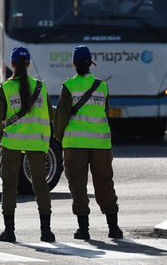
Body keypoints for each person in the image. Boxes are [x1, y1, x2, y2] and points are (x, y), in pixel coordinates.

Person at [54, 45, 123, 239]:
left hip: (74, 144)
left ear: (74, 63)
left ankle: (83, 229)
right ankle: (113, 227)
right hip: (101, 144)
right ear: (90, 64)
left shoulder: (68, 86)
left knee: (78, 186)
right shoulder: (102, 86)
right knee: (104, 183)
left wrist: (60, 138)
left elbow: (61, 117)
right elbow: (106, 114)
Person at [0, 47, 56, 243]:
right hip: (37, 143)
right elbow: (50, 116)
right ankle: (46, 232)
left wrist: (2, 138)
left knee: (9, 186)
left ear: (11, 64)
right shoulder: (40, 87)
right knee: (40, 185)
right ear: (28, 64)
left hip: (11, 143)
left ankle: (9, 232)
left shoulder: (5, 88)